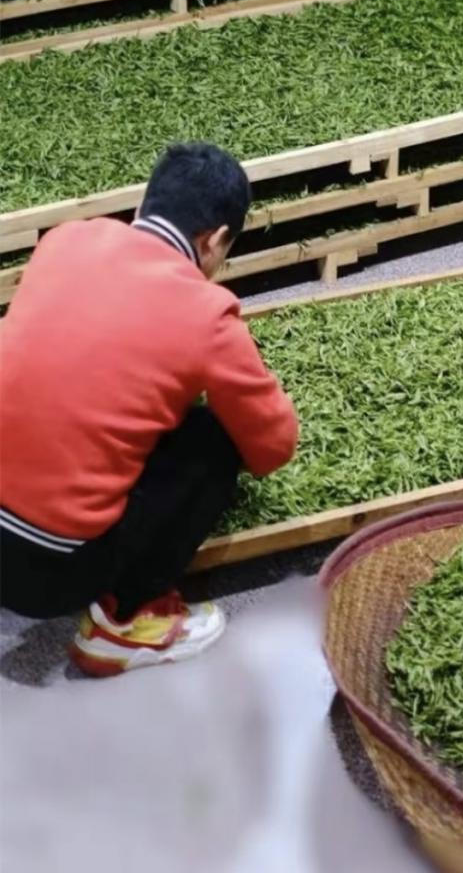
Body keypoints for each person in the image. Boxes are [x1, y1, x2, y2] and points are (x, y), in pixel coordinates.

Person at [0, 142, 299, 677]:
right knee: (213, 439)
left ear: (144, 207)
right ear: (216, 241)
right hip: (51, 575)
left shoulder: (65, 240)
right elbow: (274, 447)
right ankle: (126, 623)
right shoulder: (207, 313)